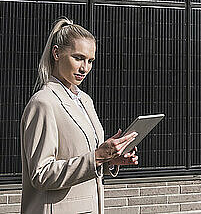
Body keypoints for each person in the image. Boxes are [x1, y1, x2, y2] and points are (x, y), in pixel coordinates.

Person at [20, 17, 138, 213]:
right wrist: (98, 157)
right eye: (78, 58)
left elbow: (81, 157)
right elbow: (41, 174)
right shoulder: (43, 103)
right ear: (56, 53)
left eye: (90, 60)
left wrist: (109, 160)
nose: (85, 68)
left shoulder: (85, 100)